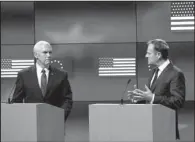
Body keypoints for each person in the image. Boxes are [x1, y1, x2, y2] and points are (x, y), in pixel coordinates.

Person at [128, 39, 185, 140]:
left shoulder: (176, 73)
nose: (146, 56)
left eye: (148, 53)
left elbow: (178, 101)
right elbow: (153, 99)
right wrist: (140, 98)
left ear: (158, 55)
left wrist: (152, 97)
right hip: (150, 129)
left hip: (165, 130)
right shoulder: (154, 71)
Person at [11, 41, 73, 121]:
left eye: (50, 52)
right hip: (30, 121)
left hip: (55, 121)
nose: (49, 55)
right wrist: (22, 119)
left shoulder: (61, 75)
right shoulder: (24, 75)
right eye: (45, 52)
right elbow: (16, 101)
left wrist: (60, 117)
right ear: (36, 55)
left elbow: (67, 99)